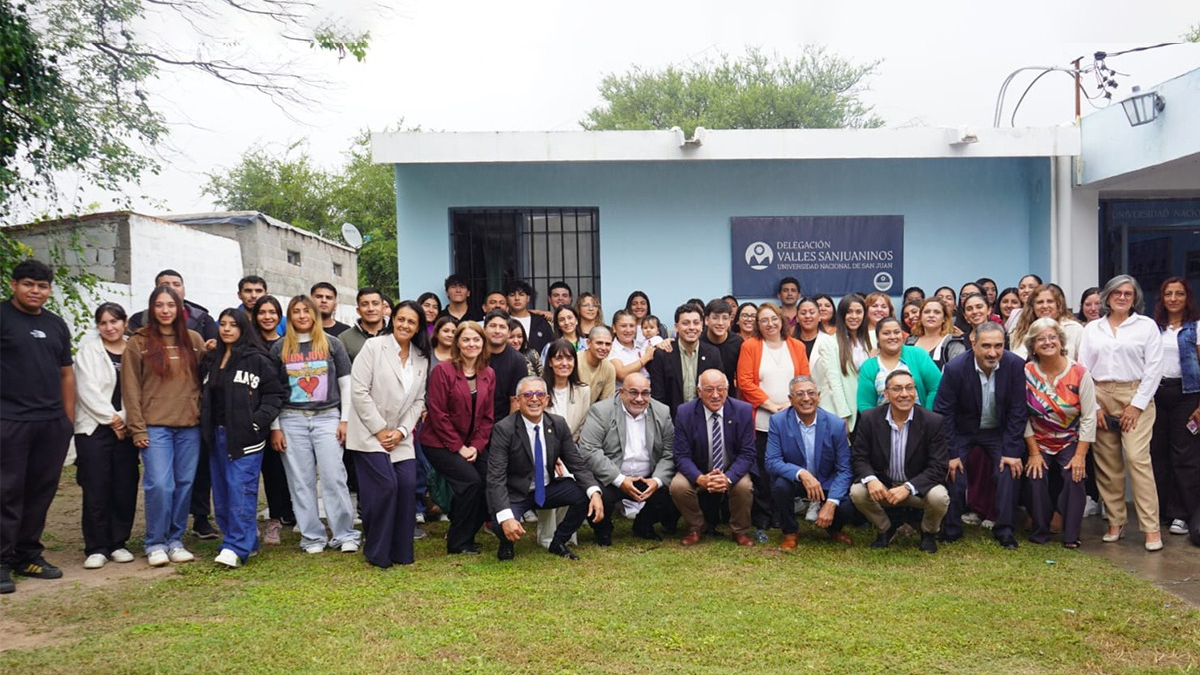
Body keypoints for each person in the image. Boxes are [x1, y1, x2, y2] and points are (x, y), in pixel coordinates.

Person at [0, 260, 75, 593]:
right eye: (29, 284)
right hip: (10, 421)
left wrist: (67, 419)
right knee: (6, 492)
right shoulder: (2, 317)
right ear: (14, 284)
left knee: (40, 492)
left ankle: (27, 555)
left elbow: (65, 373)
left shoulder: (56, 325)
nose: (35, 291)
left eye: (42, 286)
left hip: (50, 423)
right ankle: (1, 561)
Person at [126, 269, 219, 539]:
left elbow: (207, 378)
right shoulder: (138, 341)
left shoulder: (194, 341)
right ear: (151, 309)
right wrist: (137, 428)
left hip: (189, 426)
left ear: (180, 308)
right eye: (159, 305)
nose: (165, 310)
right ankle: (155, 540)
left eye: (170, 305)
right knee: (159, 485)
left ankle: (175, 539)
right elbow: (131, 388)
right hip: (155, 427)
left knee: (184, 484)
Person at [1078, 275, 1166, 551]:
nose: (1122, 297)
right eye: (1117, 292)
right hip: (1100, 393)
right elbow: (1083, 368)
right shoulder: (1093, 329)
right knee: (1108, 464)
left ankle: (1151, 528)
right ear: (1107, 296)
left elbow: (1155, 368)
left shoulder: (1146, 326)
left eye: (1128, 293)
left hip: (1135, 393)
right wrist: (1094, 406)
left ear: (1135, 297)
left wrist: (1137, 404)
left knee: (1138, 459)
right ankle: (1115, 522)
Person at [268, 294, 360, 555]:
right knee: (301, 481)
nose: (302, 316)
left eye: (306, 311)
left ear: (314, 314)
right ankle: (312, 537)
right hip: (291, 419)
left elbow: (346, 383)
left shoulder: (332, 344)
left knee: (334, 477)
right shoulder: (280, 348)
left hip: (327, 417)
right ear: (290, 316)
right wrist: (275, 426)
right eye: (296, 311)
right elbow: (273, 390)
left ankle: (344, 533)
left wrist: (345, 420)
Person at [346, 300, 429, 568]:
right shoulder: (373, 347)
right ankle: (377, 551)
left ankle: (401, 551)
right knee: (385, 487)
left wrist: (402, 431)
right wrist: (381, 430)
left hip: (400, 436)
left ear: (418, 328)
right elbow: (359, 391)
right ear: (392, 319)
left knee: (406, 486)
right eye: (401, 319)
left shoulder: (421, 359)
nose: (405, 325)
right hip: (371, 434)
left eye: (411, 322)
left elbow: (419, 401)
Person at [200, 309, 286, 568]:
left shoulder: (257, 359)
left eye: (232, 325)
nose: (226, 329)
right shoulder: (212, 359)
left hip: (246, 436)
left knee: (241, 489)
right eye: (222, 324)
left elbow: (275, 395)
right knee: (223, 492)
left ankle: (237, 546)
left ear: (242, 329)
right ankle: (239, 539)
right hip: (217, 434)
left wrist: (257, 422)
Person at [934, 322, 1028, 550]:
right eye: (986, 346)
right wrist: (952, 453)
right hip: (962, 431)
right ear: (973, 344)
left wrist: (1011, 451)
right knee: (955, 471)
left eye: (999, 346)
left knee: (1008, 470)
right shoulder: (956, 368)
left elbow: (1018, 409)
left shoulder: (1015, 365)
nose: (993, 352)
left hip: (997, 431)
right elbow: (943, 411)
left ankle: (1004, 530)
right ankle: (952, 529)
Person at [487, 377, 603, 561]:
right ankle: (506, 544)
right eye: (528, 394)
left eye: (540, 394)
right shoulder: (504, 429)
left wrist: (594, 492)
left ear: (547, 400)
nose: (534, 399)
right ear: (517, 400)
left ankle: (558, 542)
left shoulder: (558, 424)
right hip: (516, 492)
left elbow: (577, 464)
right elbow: (496, 478)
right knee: (501, 521)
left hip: (547, 488)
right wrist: (507, 517)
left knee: (584, 494)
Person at [851, 370, 950, 553]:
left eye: (909, 388)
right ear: (886, 394)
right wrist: (871, 480)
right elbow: (858, 457)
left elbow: (938, 466)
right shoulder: (869, 418)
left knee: (939, 497)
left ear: (915, 392)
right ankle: (885, 528)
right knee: (857, 491)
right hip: (884, 486)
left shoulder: (932, 421)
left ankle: (928, 532)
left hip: (918, 487)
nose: (904, 394)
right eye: (897, 389)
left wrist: (908, 487)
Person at [737, 302, 811, 540]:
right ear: (758, 325)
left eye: (773, 319)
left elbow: (804, 378)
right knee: (762, 470)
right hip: (761, 417)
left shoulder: (796, 346)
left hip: (792, 416)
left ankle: (782, 514)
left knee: (785, 468)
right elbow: (745, 381)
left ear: (782, 320)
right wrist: (770, 405)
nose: (769, 324)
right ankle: (762, 516)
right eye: (763, 320)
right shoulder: (751, 346)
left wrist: (791, 405)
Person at [73, 303, 138, 570]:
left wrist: (123, 419)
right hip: (93, 428)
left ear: (124, 322)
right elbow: (86, 390)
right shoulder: (89, 351)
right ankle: (97, 546)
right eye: (103, 323)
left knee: (124, 485)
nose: (109, 327)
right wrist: (112, 420)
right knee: (96, 486)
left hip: (128, 426)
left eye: (114, 321)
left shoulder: (135, 349)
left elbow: (141, 388)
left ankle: (118, 542)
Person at [421, 321, 494, 554]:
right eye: (466, 339)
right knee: (470, 482)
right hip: (439, 443)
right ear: (457, 343)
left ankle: (469, 533)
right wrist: (459, 448)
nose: (471, 344)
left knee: (490, 481)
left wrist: (475, 447)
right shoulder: (443, 371)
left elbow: (487, 417)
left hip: (472, 444)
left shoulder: (488, 373)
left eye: (476, 339)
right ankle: (457, 541)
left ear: (483, 343)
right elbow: (438, 414)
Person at [577, 373, 676, 544]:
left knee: (673, 490)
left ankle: (643, 525)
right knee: (597, 493)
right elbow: (589, 450)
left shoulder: (662, 411)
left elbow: (669, 452)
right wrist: (620, 479)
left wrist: (657, 481)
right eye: (633, 392)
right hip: (612, 476)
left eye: (645, 393)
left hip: (648, 477)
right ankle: (603, 530)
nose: (639, 399)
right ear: (621, 392)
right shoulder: (601, 411)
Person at [1022, 317, 1095, 549]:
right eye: (1040, 339)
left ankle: (1071, 535)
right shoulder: (1025, 373)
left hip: (1070, 439)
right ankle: (1040, 531)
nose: (1047, 342)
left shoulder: (1080, 373)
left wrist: (1080, 455)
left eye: (1052, 337)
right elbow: (1021, 415)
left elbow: (1089, 417)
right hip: (1038, 439)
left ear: (1061, 341)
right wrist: (1033, 452)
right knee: (1035, 475)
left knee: (1074, 475)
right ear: (1032, 345)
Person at [766, 376, 853, 549]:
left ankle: (834, 528)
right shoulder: (778, 421)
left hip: (826, 479)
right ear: (790, 399)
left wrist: (831, 502)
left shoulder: (835, 424)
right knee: (780, 486)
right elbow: (772, 461)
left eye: (811, 393)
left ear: (819, 396)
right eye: (800, 394)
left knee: (846, 504)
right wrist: (802, 474)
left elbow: (845, 469)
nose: (806, 398)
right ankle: (790, 532)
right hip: (796, 480)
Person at [671, 370, 755, 545]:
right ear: (699, 392)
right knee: (678, 486)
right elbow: (681, 455)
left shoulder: (743, 410)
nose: (716, 395)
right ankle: (696, 527)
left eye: (721, 389)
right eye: (709, 389)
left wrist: (728, 478)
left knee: (744, 486)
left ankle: (740, 530)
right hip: (698, 469)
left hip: (731, 468)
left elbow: (747, 454)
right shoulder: (685, 412)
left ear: (728, 389)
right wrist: (699, 478)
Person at [1151, 277, 1200, 538]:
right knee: (1157, 454)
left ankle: (1182, 514)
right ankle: (1160, 511)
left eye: (1179, 294)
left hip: (1186, 395)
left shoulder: (1196, 327)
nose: (1173, 298)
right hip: (1157, 393)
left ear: (1187, 298)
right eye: (1168, 293)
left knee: (1184, 456)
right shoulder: (1154, 328)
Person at [250, 295, 292, 544]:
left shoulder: (287, 345)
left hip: (282, 416)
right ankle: (248, 521)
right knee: (251, 471)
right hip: (252, 417)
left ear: (279, 316)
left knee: (277, 471)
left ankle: (277, 519)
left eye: (272, 312)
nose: (267, 316)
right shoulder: (247, 344)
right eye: (262, 312)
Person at [648, 304, 723, 419]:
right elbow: (658, 397)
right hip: (672, 421)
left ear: (702, 326)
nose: (692, 327)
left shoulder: (713, 354)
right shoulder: (663, 354)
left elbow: (718, 391)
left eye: (696, 323)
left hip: (705, 420)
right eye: (686, 323)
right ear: (676, 327)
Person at [857, 317, 941, 411]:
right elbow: (865, 404)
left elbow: (936, 387)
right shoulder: (868, 367)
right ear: (877, 338)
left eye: (896, 332)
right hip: (882, 423)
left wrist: (926, 415)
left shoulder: (918, 354)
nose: (892, 337)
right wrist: (878, 424)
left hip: (919, 422)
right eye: (886, 333)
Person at [819, 294, 871, 433]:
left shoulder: (870, 340)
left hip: (868, 408)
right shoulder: (830, 343)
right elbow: (834, 381)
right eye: (849, 312)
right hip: (846, 412)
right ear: (841, 315)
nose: (854, 316)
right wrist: (844, 415)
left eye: (858, 312)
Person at [127, 269, 219, 341]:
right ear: (156, 290)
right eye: (165, 284)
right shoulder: (140, 319)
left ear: (184, 289)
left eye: (176, 284)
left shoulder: (203, 320)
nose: (172, 288)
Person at [1010, 284, 1084, 360]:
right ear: (1032, 306)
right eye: (1040, 302)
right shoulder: (1019, 332)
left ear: (1059, 304)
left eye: (1050, 301)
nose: (1045, 306)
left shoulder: (1075, 329)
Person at [481, 310, 531, 422]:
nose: (497, 331)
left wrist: (507, 431)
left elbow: (515, 400)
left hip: (502, 422)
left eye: (502, 327)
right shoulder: (475, 354)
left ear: (508, 332)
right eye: (493, 326)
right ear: (484, 330)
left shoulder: (518, 360)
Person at [906, 297, 966, 371]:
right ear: (921, 317)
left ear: (944, 318)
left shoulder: (953, 344)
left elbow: (959, 374)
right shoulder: (910, 341)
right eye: (927, 312)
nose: (931, 315)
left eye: (937, 312)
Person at [702, 298, 743, 399]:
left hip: (730, 397)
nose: (720, 323)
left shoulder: (738, 343)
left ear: (730, 320)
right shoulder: (698, 341)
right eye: (715, 318)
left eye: (725, 318)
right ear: (706, 320)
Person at [610, 309, 659, 385]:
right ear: (614, 328)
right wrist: (645, 358)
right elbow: (622, 374)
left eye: (632, 326)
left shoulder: (642, 345)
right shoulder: (610, 348)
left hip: (649, 391)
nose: (628, 330)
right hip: (624, 393)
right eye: (623, 326)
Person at [341, 287, 391, 362]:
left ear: (383, 308)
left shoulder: (395, 333)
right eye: (365, 304)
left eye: (375, 304)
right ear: (358, 310)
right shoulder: (344, 339)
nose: (371, 309)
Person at [506, 280, 553, 354]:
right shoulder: (503, 322)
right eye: (512, 295)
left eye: (521, 294)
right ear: (507, 299)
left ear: (528, 298)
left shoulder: (541, 322)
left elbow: (551, 348)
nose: (517, 298)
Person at [577, 325, 617, 403]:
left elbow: (606, 403)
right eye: (599, 343)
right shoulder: (574, 361)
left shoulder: (609, 368)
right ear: (588, 343)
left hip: (592, 413)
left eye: (608, 344)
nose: (603, 348)